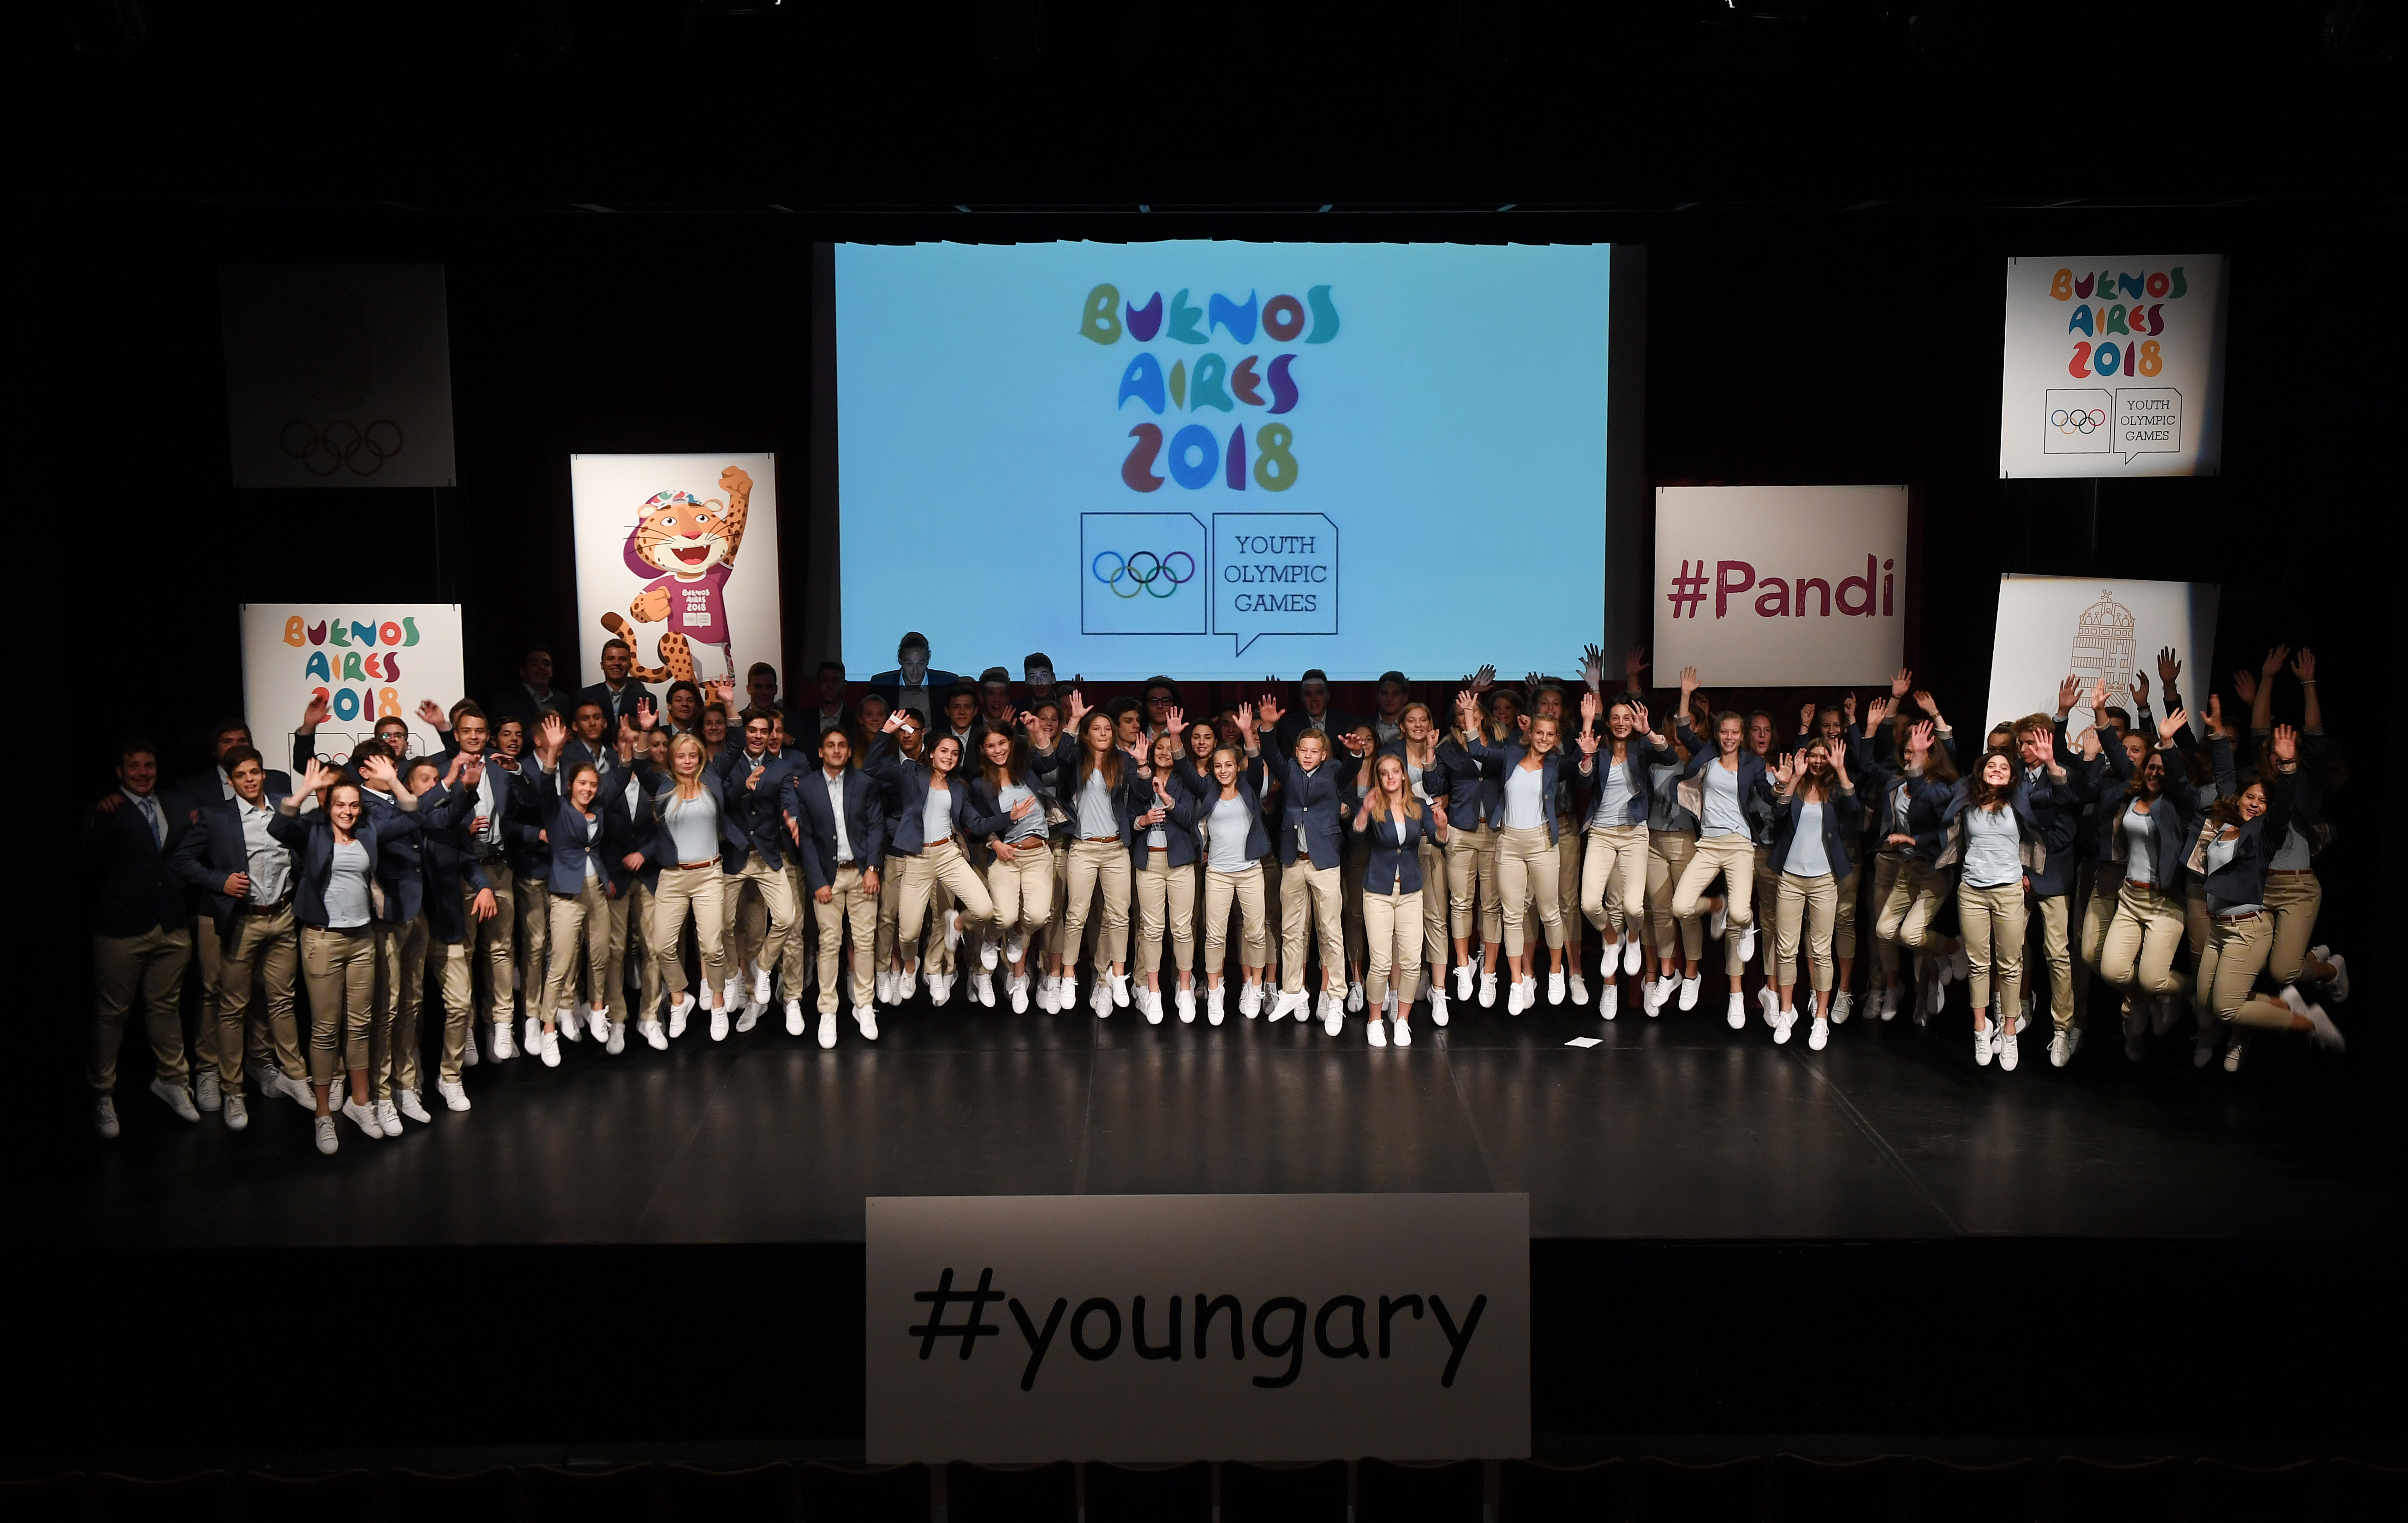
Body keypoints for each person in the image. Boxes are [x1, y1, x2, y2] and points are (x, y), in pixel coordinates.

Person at [267, 755, 434, 1154]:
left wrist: (394, 780)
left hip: (362, 939)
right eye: (340, 804)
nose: (347, 811)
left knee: (360, 1027)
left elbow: (413, 816)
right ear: (328, 806)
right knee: (326, 1030)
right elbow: (279, 827)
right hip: (323, 940)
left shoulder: (370, 830)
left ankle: (361, 1104)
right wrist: (305, 791)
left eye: (354, 805)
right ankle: (324, 1114)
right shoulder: (313, 832)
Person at [167, 744, 310, 1129]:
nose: (250, 780)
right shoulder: (217, 817)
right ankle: (232, 1090)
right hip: (242, 921)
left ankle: (295, 1076)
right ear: (230, 781)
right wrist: (220, 881)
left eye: (255, 772)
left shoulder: (283, 807)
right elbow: (181, 860)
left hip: (282, 916)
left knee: (282, 1001)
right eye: (241, 775)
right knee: (232, 1007)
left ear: (263, 773)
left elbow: (302, 851)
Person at [2195, 724, 2344, 1055]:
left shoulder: (2265, 834)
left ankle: (2310, 1024)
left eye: (2263, 801)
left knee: (2227, 1009)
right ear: (2239, 798)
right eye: (2250, 797)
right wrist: (2218, 736)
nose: (2255, 804)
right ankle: (2287, 1004)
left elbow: (2283, 806)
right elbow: (2227, 777)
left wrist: (2288, 766)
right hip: (2218, 930)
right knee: (2206, 1001)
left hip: (2245, 929)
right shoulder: (2227, 826)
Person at [84, 739, 201, 1137]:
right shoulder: (106, 810)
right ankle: (102, 1093)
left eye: (148, 765)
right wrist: (98, 819)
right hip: (121, 928)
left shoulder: (177, 804)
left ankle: (173, 1081)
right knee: (112, 1014)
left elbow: (188, 842)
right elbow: (89, 863)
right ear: (120, 772)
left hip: (171, 922)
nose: (142, 773)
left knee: (166, 1007)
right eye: (133, 766)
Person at [870, 712, 998, 1017]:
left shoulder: (958, 787)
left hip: (948, 855)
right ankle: (910, 966)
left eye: (955, 753)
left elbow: (976, 823)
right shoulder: (910, 773)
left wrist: (1010, 818)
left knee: (984, 909)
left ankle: (952, 932)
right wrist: (885, 732)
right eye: (944, 751)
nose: (949, 757)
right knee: (908, 933)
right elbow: (871, 767)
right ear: (931, 752)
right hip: (917, 859)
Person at [525, 715, 635, 1065]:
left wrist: (628, 746)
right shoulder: (556, 810)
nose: (587, 789)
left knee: (601, 955)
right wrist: (553, 751)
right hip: (566, 894)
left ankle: (598, 1009)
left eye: (592, 784)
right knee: (560, 963)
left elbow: (621, 778)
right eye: (582, 784)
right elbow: (545, 784)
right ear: (571, 785)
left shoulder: (599, 808)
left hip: (597, 890)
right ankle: (548, 1030)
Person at [1454, 689, 1571, 1015]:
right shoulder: (1509, 756)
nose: (1544, 739)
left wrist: (1589, 736)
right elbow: (1478, 750)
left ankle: (1556, 971)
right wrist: (1469, 715)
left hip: (1542, 842)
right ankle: (1517, 982)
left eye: (1550, 735)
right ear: (1529, 733)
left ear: (1556, 738)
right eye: (1539, 733)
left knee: (1550, 912)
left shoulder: (1557, 764)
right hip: (1509, 843)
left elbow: (1584, 770)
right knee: (1512, 915)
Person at [1670, 668, 1775, 1030]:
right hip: (1709, 845)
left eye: (1735, 733)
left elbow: (1767, 795)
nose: (1729, 738)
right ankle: (1718, 905)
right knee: (1680, 906)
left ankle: (1744, 924)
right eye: (1724, 733)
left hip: (1740, 846)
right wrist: (1686, 695)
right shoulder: (1708, 755)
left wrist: (1784, 786)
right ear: (1718, 734)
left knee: (1743, 914)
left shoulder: (1753, 763)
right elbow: (1683, 730)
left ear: (1742, 736)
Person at [2094, 700, 2198, 1060]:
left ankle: (2187, 991)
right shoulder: (2134, 793)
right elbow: (2120, 757)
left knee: (2155, 978)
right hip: (2130, 897)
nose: (2155, 772)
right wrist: (2100, 715)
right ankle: (2140, 1002)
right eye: (2151, 766)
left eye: (2161, 767)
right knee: (2113, 970)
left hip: (2164, 902)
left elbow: (2180, 781)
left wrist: (2167, 743)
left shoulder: (2178, 804)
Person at [630, 703, 739, 1040]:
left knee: (712, 947)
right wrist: (645, 731)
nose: (688, 761)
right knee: (662, 946)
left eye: (693, 755)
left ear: (701, 757)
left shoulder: (712, 778)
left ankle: (718, 1004)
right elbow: (639, 763)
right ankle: (680, 999)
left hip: (709, 876)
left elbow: (736, 744)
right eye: (681, 756)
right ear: (672, 759)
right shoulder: (662, 787)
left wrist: (730, 705)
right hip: (674, 878)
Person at [1573, 689, 1673, 1020]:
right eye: (1615, 718)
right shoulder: (1599, 751)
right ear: (1608, 721)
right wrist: (1587, 756)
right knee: (1590, 903)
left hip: (1634, 835)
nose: (1620, 723)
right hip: (1602, 834)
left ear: (1634, 721)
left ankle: (1633, 938)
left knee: (1633, 907)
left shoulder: (1641, 748)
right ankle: (1612, 938)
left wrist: (1649, 731)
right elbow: (1583, 783)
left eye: (1626, 718)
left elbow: (1670, 757)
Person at [1257, 690, 1354, 1031]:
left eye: (1314, 751)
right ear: (1296, 752)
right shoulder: (1289, 771)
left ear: (1324, 754)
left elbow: (1352, 768)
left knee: (1330, 931)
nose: (1308, 756)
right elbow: (1270, 751)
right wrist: (1267, 727)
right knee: (1291, 930)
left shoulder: (1335, 771)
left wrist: (1356, 752)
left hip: (1324, 862)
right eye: (1303, 751)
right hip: (1293, 862)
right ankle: (1293, 990)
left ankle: (1337, 997)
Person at [710, 700, 809, 1033]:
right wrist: (745, 786)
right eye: (752, 730)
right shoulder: (727, 762)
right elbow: (721, 800)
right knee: (725, 925)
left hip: (767, 856)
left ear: (770, 736)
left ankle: (764, 969)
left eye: (763, 732)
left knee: (786, 918)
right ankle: (739, 983)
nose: (757, 736)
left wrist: (792, 818)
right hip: (736, 855)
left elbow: (789, 798)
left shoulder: (780, 767)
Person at [784, 724, 886, 1045]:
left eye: (842, 745)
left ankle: (864, 1005)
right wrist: (817, 880)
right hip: (827, 876)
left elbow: (876, 827)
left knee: (865, 942)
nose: (837, 750)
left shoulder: (864, 782)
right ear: (821, 751)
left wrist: (873, 868)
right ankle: (828, 1010)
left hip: (860, 873)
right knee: (829, 943)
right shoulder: (807, 787)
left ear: (849, 750)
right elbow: (807, 839)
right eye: (831, 745)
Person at [410, 747, 501, 1105]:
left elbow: (469, 863)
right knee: (408, 1010)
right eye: (426, 781)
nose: (435, 786)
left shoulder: (452, 824)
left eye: (437, 779)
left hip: (447, 927)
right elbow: (422, 815)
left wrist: (484, 887)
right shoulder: (402, 819)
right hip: (409, 931)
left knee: (461, 1004)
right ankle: (408, 1077)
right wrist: (453, 783)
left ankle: (450, 1076)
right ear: (409, 787)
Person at [1055, 696, 1153, 1017]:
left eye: (1107, 729)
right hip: (1084, 849)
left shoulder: (1122, 761)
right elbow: (1060, 755)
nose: (1103, 733)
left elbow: (1143, 796)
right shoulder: (1078, 759)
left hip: (1115, 850)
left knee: (1120, 915)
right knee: (1077, 915)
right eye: (1096, 729)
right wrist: (1074, 720)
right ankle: (1068, 975)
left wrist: (1142, 765)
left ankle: (1118, 974)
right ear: (1087, 734)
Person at [1947, 747, 2041, 1071]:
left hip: (2009, 891)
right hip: (1972, 891)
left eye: (2004, 766)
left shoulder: (2020, 800)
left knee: (2011, 963)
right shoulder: (1967, 800)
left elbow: (2051, 794)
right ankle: (1980, 1027)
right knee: (1978, 963)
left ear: (2012, 775)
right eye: (1992, 765)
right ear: (1981, 772)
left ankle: (2010, 1030)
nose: (1997, 769)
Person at [1351, 749, 1444, 1045]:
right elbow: (1355, 837)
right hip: (1378, 890)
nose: (1390, 777)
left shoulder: (1418, 806)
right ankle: (1375, 1020)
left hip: (1410, 891)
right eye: (1384, 773)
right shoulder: (1373, 805)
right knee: (1380, 962)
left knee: (1411, 961)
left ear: (1404, 775)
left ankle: (1403, 1020)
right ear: (1379, 779)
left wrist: (1442, 828)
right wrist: (1364, 812)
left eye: (1395, 771)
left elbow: (1439, 841)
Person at [1194, 711, 1276, 1023]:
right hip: (1218, 873)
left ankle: (1254, 986)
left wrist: (1248, 732)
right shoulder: (1208, 790)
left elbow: (1256, 762)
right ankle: (1216, 992)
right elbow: (1186, 769)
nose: (1224, 770)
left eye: (1229, 765)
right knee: (1215, 936)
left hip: (1250, 871)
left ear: (1238, 766)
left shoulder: (1249, 786)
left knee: (1255, 933)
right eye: (1218, 766)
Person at [1440, 668, 1505, 1011]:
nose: (1468, 716)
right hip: (1461, 831)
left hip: (1494, 831)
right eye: (1462, 713)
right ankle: (1463, 966)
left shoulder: (1502, 743)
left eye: (1473, 711)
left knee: (1491, 905)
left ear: (1482, 715)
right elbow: (1436, 786)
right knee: (1461, 903)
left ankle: (1489, 972)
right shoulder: (1447, 748)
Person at [1127, 730, 1198, 1023]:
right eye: (1160, 748)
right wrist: (1142, 821)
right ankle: (1153, 991)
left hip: (1180, 863)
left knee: (1182, 929)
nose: (1165, 752)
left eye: (1170, 748)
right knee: (1152, 930)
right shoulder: (1141, 781)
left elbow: (1189, 818)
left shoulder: (1186, 780)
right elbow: (1130, 818)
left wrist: (1168, 800)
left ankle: (1185, 988)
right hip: (1149, 863)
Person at [867, 631, 959, 727]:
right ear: (900, 659)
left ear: (928, 659)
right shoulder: (881, 685)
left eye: (920, 664)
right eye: (910, 664)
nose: (915, 671)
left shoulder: (948, 684)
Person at [577, 637, 655, 728]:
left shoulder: (647, 699)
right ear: (602, 665)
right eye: (611, 659)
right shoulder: (584, 696)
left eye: (623, 659)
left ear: (630, 665)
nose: (617, 663)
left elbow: (654, 734)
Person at [493, 649, 569, 727]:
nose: (541, 667)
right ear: (523, 671)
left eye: (546, 664)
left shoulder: (562, 700)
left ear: (552, 671)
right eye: (534, 664)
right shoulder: (506, 701)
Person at [806, 659, 854, 738]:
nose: (830, 686)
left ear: (844, 685)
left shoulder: (855, 720)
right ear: (817, 685)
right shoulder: (804, 720)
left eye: (835, 681)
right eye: (824, 681)